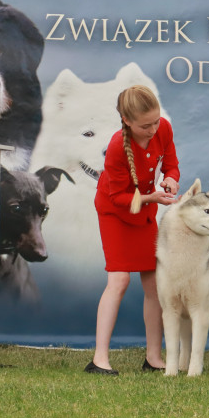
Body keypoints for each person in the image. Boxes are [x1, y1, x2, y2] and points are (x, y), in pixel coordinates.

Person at [86, 85, 180, 375]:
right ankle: (99, 359)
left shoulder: (162, 128)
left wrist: (171, 180)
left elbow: (173, 166)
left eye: (155, 121)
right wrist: (152, 197)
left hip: (144, 212)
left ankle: (153, 357)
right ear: (127, 121)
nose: (153, 129)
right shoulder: (116, 146)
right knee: (119, 281)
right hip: (115, 212)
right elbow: (117, 198)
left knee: (154, 284)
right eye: (145, 125)